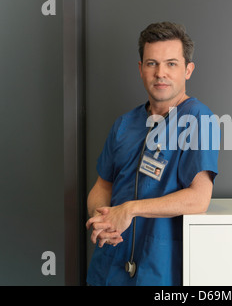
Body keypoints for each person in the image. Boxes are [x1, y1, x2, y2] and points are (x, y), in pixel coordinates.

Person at [85, 21, 219, 286]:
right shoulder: (124, 124)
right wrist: (103, 220)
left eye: (171, 64)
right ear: (140, 69)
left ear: (188, 70)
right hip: (108, 268)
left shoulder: (199, 120)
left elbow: (198, 199)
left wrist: (130, 210)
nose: (161, 73)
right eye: (151, 63)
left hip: (159, 272)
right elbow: (102, 186)